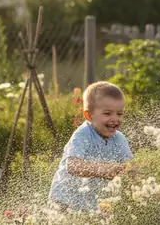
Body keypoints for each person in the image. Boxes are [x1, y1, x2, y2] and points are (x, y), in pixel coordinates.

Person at [48, 81, 135, 212]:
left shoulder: (119, 138)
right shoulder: (83, 134)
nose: (115, 119)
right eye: (107, 113)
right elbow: (72, 166)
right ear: (89, 115)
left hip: (89, 203)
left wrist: (135, 173)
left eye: (119, 114)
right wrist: (103, 170)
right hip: (64, 200)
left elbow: (129, 165)